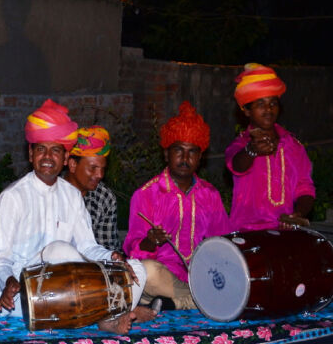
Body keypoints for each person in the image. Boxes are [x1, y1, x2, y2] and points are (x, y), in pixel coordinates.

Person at [0, 99, 152, 334]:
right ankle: (114, 310)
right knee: (60, 250)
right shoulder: (11, 198)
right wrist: (8, 282)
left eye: (55, 150)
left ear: (65, 158)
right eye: (41, 149)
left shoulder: (72, 195)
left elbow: (87, 246)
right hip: (26, 291)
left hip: (71, 288)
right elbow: (0, 259)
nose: (47, 156)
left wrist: (112, 257)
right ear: (30, 154)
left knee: (135, 268)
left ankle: (108, 315)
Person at [123, 101, 231, 309]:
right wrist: (150, 241)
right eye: (178, 151)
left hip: (202, 276)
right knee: (147, 271)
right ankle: (200, 301)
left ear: (200, 157)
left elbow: (223, 244)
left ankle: (174, 303)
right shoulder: (146, 194)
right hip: (162, 277)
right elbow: (133, 251)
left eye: (192, 152)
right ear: (166, 154)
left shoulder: (210, 195)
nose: (184, 158)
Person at [226, 63, 315, 231]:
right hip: (247, 234)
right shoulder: (240, 144)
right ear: (247, 111)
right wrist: (252, 150)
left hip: (284, 234)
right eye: (260, 104)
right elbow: (236, 165)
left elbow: (305, 188)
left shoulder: (294, 146)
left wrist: (298, 214)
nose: (268, 109)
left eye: (273, 103)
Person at [64, 125, 122, 254]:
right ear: (73, 164)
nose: (100, 175)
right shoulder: (52, 192)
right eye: (93, 168)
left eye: (103, 169)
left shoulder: (104, 198)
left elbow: (107, 249)